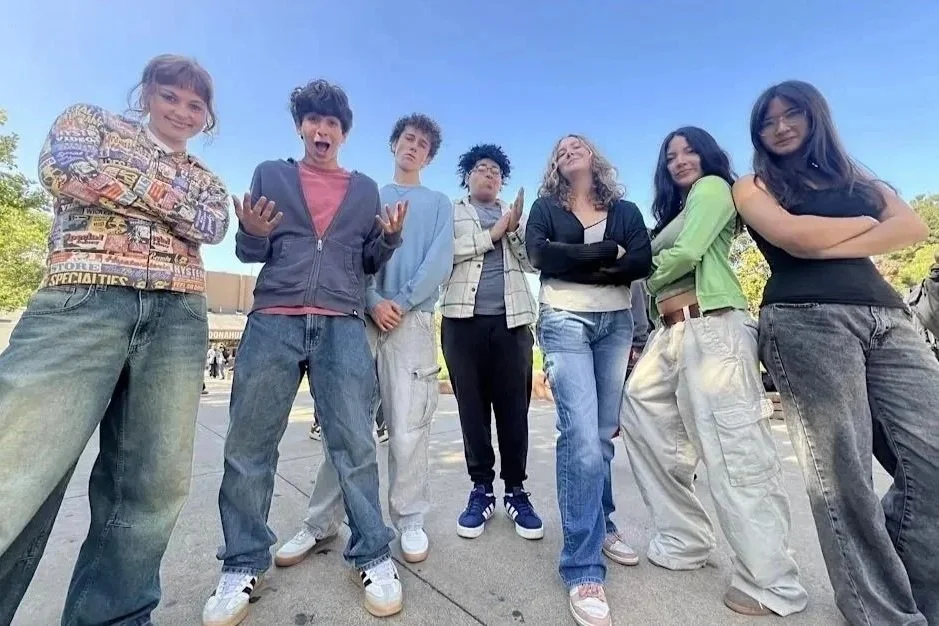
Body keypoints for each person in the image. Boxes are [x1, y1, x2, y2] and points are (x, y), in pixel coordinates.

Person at [0, 54, 229, 625]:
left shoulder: (208, 178)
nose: (181, 110)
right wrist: (169, 198)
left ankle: (116, 617)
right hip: (82, 299)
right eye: (170, 95)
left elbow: (212, 224)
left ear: (207, 118)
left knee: (151, 485)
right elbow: (65, 169)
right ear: (147, 93)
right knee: (18, 466)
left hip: (178, 317)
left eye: (195, 105)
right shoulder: (88, 122)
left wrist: (122, 183)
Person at [733, 79, 939, 625]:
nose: (779, 127)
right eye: (767, 120)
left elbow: (913, 227)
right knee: (843, 477)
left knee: (932, 460)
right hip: (804, 320)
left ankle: (917, 594)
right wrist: (871, 224)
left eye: (791, 114)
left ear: (815, 116)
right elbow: (793, 238)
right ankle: (883, 614)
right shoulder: (752, 183)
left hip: (889, 317)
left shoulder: (854, 173)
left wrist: (830, 233)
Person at [204, 79, 406, 623]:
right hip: (274, 318)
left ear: (343, 133)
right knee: (249, 444)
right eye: (314, 121)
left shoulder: (365, 189)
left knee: (355, 444)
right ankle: (242, 564)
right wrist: (248, 233)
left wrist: (387, 240)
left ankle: (373, 553)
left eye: (333, 124)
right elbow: (253, 251)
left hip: (342, 321)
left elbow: (365, 262)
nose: (323, 130)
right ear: (301, 126)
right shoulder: (271, 175)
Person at [619, 126, 807, 617]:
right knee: (640, 415)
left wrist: (634, 272)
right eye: (671, 155)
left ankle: (772, 582)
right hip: (672, 331)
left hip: (714, 326)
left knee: (735, 450)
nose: (680, 160)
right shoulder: (676, 210)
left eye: (689, 150)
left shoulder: (712, 189)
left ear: (707, 155)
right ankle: (685, 539)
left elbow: (687, 254)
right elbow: (671, 252)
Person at [279, 113, 453, 567]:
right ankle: (320, 522)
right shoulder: (365, 194)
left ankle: (409, 518)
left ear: (429, 156)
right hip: (362, 315)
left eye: (422, 144)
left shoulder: (438, 203)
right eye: (407, 139)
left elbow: (439, 261)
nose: (413, 147)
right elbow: (353, 256)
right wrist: (374, 299)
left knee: (409, 426)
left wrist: (403, 301)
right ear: (393, 144)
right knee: (347, 426)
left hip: (412, 322)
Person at [525, 134, 651, 626]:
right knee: (578, 437)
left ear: (594, 156)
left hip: (615, 324)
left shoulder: (625, 208)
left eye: (578, 145)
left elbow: (640, 261)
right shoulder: (543, 207)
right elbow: (540, 257)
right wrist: (607, 255)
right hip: (563, 320)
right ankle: (581, 567)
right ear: (555, 164)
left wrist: (577, 258)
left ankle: (603, 524)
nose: (569, 150)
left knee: (600, 437)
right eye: (560, 148)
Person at [439, 144, 543, 542]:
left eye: (497, 171)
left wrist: (513, 230)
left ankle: (516, 490)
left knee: (515, 409)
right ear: (467, 175)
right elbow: (442, 256)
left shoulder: (515, 216)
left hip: (513, 323)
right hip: (461, 322)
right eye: (482, 168)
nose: (490, 175)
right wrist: (490, 236)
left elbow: (534, 263)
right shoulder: (450, 211)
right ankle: (481, 489)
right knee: (472, 408)